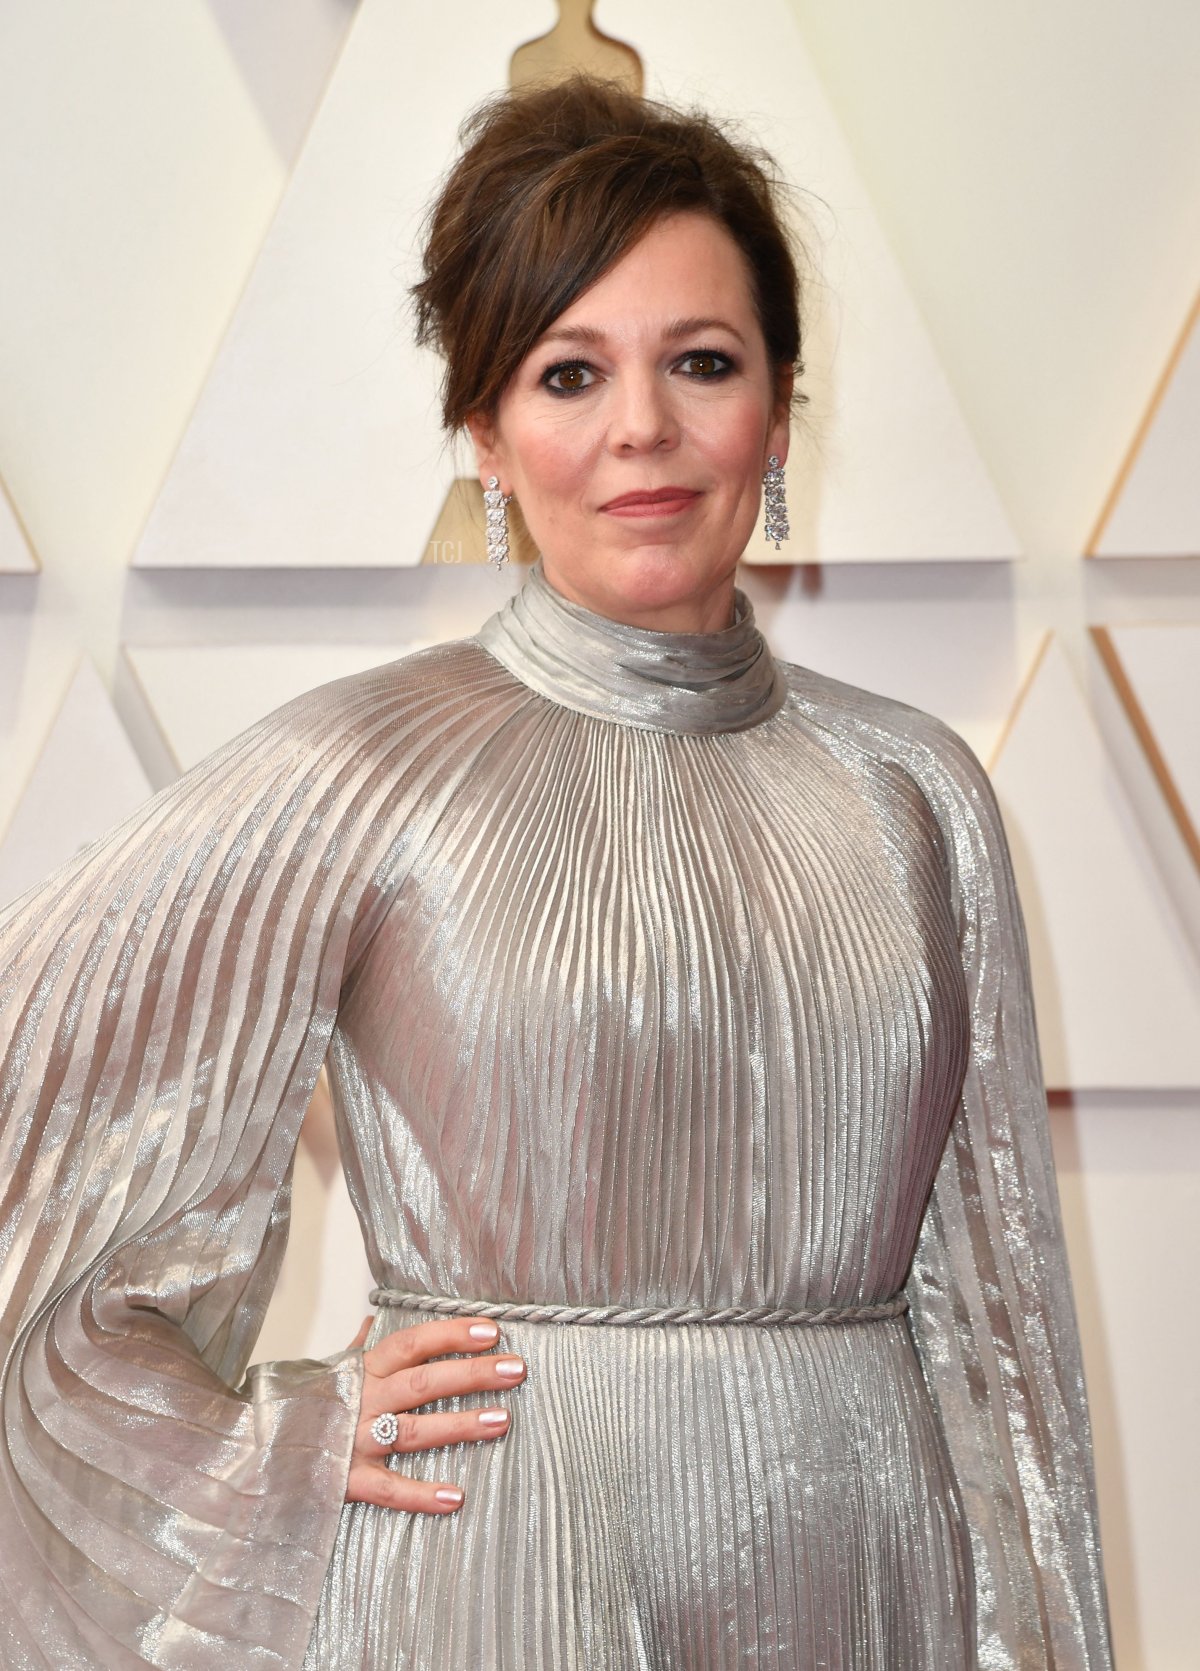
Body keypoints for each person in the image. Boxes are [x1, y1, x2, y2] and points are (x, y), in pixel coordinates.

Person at [0, 71, 1113, 1670]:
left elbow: (1000, 1333)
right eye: (569, 372)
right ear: (484, 430)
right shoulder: (364, 773)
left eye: (703, 364)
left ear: (781, 409)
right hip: (496, 1565)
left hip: (868, 1572)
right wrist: (272, 1450)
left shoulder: (919, 791)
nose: (642, 429)